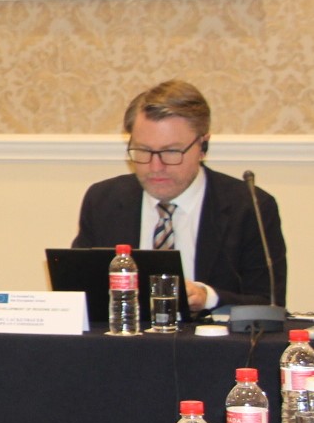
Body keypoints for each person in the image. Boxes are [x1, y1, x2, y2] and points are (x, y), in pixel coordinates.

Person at [73, 79, 285, 311]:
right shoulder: (103, 201)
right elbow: (77, 293)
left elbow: (269, 304)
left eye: (171, 152)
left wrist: (208, 298)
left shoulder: (250, 206)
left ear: (203, 146)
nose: (155, 167)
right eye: (143, 151)